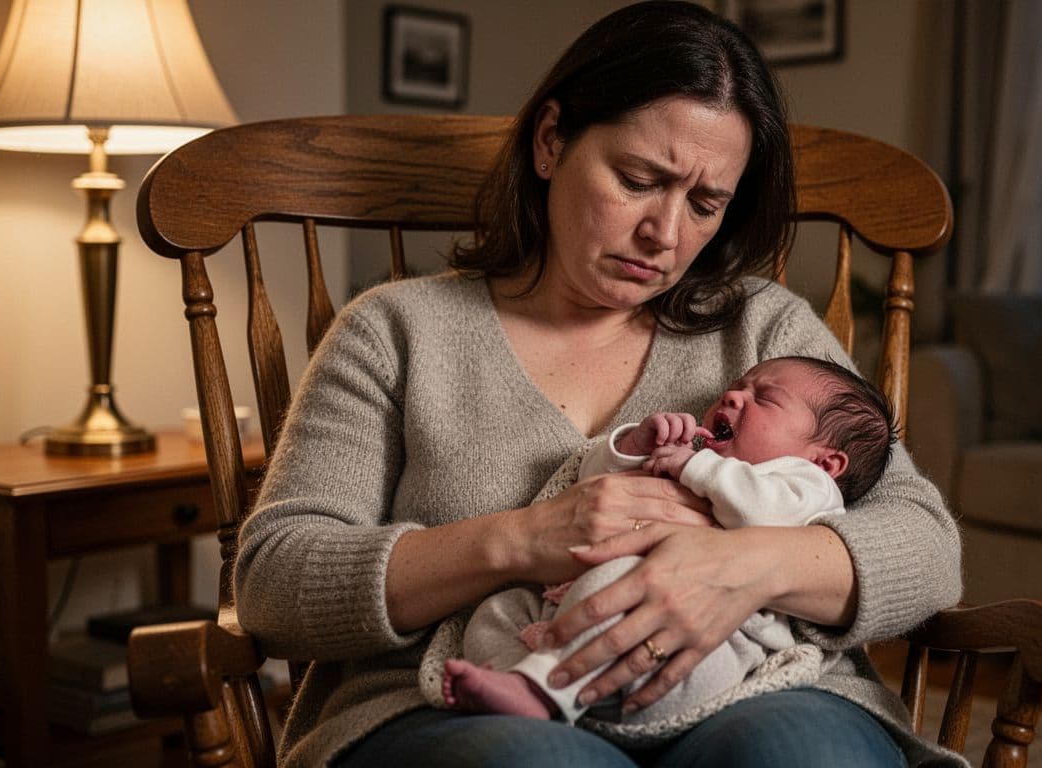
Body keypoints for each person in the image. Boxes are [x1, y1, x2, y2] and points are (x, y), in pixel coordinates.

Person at [233, 2, 964, 767]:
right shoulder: (396, 332)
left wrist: (734, 567)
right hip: (451, 701)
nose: (666, 234)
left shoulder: (764, 331)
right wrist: (523, 540)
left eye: (705, 204)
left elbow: (925, 546)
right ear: (551, 141)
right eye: (639, 179)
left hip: (757, 687)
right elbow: (277, 581)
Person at [442, 356, 899, 726]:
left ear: (826, 461)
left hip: (697, 649)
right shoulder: (700, 456)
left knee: (622, 581)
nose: (735, 395)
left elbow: (762, 512)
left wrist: (694, 467)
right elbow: (591, 493)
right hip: (569, 609)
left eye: (765, 399)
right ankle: (516, 677)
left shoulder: (804, 485)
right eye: (738, 386)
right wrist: (634, 449)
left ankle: (539, 688)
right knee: (496, 613)